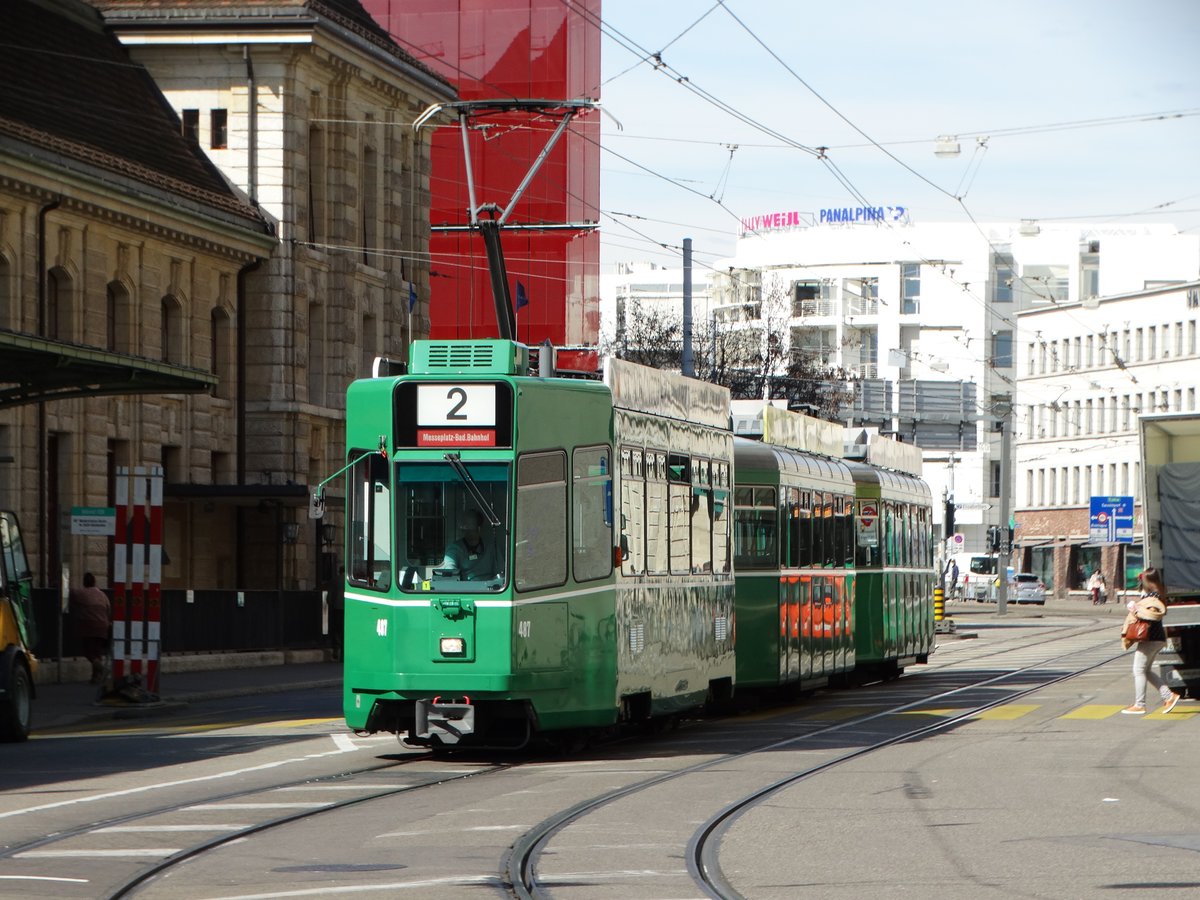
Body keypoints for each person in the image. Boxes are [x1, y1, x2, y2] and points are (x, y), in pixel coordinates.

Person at [1120, 567, 1180, 715]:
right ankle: (1169, 696)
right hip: (1156, 638)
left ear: (1147, 581)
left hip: (1150, 638)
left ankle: (1140, 704)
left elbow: (1151, 615)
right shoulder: (1158, 594)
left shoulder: (1153, 597)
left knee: (1138, 670)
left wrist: (1135, 610)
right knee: (1145, 670)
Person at [69, 572, 111, 685]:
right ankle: (95, 678)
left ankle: (102, 668)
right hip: (103, 627)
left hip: (89, 626)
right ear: (94, 582)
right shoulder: (102, 595)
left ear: (84, 582)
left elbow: (70, 593)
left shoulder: (81, 593)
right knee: (97, 652)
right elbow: (108, 610)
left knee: (88, 652)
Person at [440, 509, 496, 581]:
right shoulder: (454, 548)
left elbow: (501, 571)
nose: (466, 529)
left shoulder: (491, 547)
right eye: (464, 526)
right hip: (466, 586)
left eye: (470, 526)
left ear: (479, 528)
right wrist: (451, 572)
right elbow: (450, 568)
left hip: (490, 587)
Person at [328, 565, 345, 661]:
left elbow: (329, 596)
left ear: (339, 571)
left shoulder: (335, 580)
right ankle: (343, 655)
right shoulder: (349, 580)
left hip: (337, 608)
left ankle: (336, 650)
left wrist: (331, 603)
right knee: (344, 631)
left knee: (337, 630)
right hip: (346, 608)